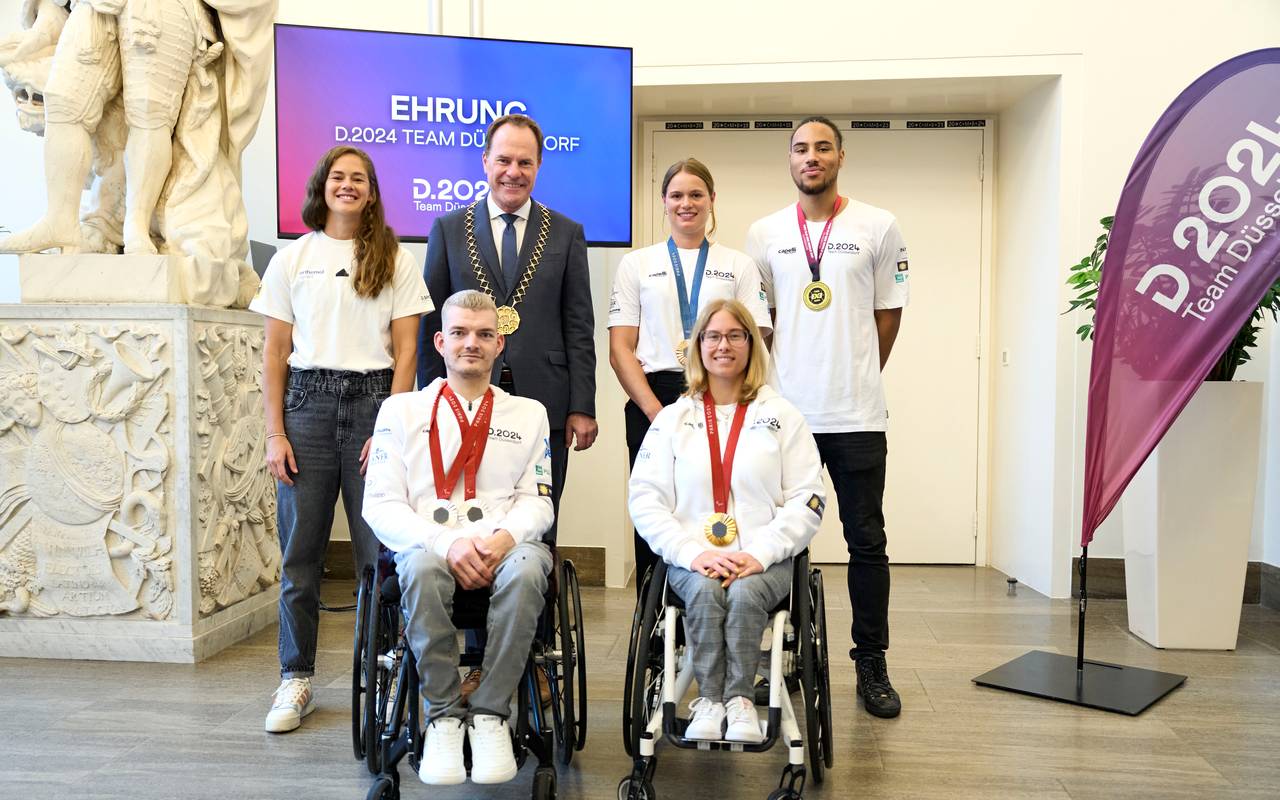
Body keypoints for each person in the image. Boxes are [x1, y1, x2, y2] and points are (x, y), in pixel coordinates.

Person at [252, 145, 432, 733]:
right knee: (299, 557)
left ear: (373, 192)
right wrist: (275, 432)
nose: (348, 185)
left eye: (359, 178)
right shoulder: (292, 257)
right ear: (322, 187)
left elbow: (407, 352)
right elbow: (275, 352)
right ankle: (295, 680)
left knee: (375, 556)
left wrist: (390, 424)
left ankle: (382, 676)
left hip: (372, 406)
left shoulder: (395, 259)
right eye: (339, 176)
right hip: (304, 408)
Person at [418, 112, 596, 694]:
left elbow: (579, 325)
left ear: (539, 167)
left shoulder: (565, 232)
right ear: (485, 163)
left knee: (533, 526)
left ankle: (535, 658)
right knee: (468, 512)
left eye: (525, 161)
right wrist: (428, 400)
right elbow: (430, 327)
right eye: (504, 160)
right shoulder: (448, 229)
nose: (513, 171)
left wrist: (582, 405)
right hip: (460, 400)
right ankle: (479, 659)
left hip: (544, 400)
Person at [745, 115, 910, 719]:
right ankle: (778, 657)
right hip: (785, 415)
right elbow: (760, 324)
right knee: (776, 540)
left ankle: (871, 664)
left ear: (840, 155)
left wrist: (857, 371)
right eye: (799, 149)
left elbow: (887, 315)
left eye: (821, 147)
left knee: (867, 542)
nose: (810, 157)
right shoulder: (764, 233)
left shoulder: (878, 226)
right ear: (788, 160)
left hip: (858, 415)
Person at [364, 290, 554, 786]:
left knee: (533, 565)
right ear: (441, 342)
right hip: (429, 547)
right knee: (422, 569)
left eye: (485, 335)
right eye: (462, 334)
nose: (473, 343)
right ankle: (445, 715)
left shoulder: (529, 413)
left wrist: (503, 538)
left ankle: (491, 713)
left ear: (500, 345)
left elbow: (538, 500)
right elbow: (380, 506)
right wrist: (445, 544)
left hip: (502, 547)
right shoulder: (400, 412)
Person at [628, 299, 824, 743]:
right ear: (697, 347)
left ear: (752, 346)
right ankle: (709, 700)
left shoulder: (783, 417)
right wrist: (692, 554)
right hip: (692, 561)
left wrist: (758, 553)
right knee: (703, 589)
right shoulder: (673, 419)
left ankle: (738, 700)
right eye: (713, 336)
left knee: (743, 593)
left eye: (736, 336)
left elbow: (808, 499)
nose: (723, 345)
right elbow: (645, 498)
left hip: (764, 561)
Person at [609, 158, 771, 594]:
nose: (686, 203)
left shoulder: (738, 264)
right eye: (677, 195)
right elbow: (621, 348)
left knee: (721, 494)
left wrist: (733, 394)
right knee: (657, 506)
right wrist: (655, 411)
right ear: (664, 202)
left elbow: (756, 337)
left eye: (696, 194)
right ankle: (656, 612)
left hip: (721, 393)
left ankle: (727, 593)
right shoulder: (636, 264)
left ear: (712, 200)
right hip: (654, 395)